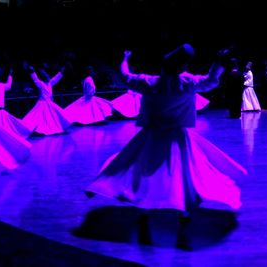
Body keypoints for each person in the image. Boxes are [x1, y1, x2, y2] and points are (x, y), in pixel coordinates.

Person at [85, 45, 247, 223]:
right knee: (182, 172)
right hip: (178, 136)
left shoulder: (149, 82)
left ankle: (148, 202)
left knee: (145, 168)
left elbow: (125, 76)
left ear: (163, 66)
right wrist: (218, 64)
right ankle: (182, 206)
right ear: (182, 67)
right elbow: (210, 81)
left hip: (152, 135)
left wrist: (125, 59)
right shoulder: (187, 83)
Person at [0, 63, 32, 138]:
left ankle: (25, 131)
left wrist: (10, 75)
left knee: (11, 124)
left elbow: (8, 86)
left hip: (0, 112)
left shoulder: (1, 85)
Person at [22, 64, 71, 135]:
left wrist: (61, 71)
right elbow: (35, 79)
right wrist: (32, 71)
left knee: (54, 116)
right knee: (40, 117)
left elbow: (56, 78)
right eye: (46, 75)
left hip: (49, 103)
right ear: (44, 78)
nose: (48, 76)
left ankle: (54, 128)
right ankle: (39, 129)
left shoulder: (50, 83)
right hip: (43, 103)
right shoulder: (41, 83)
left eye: (48, 75)